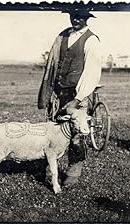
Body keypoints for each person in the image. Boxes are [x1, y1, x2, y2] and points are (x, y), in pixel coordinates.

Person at [38, 9, 102, 186]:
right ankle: (51, 168)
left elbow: (91, 72)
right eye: (73, 15)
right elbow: (53, 63)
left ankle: (74, 171)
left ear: (86, 19)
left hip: (77, 94)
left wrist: (79, 97)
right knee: (54, 130)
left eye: (80, 16)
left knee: (76, 134)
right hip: (59, 93)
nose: (75, 19)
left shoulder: (91, 40)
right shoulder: (62, 36)